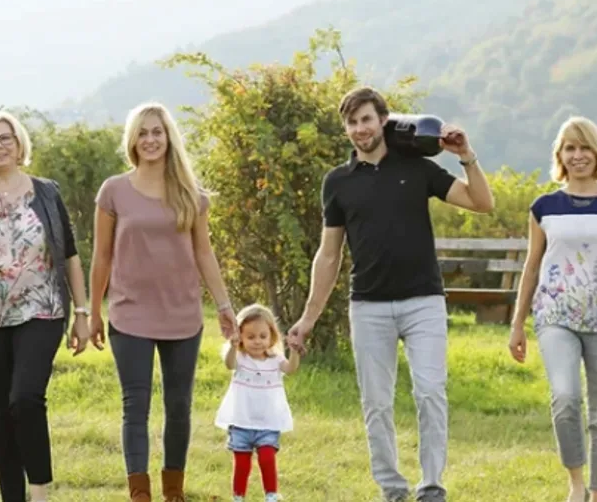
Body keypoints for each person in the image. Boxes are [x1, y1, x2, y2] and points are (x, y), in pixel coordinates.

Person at [286, 86, 495, 502]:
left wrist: (466, 156)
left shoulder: (418, 168)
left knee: (430, 392)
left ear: (383, 120)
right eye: (352, 122)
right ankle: (393, 490)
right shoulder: (338, 183)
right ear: (346, 128)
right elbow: (328, 257)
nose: (359, 128)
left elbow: (482, 203)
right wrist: (307, 319)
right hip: (368, 307)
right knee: (376, 403)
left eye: (366, 119)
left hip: (424, 302)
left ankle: (431, 487)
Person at [89, 101, 237, 502]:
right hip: (129, 312)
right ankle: (140, 493)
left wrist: (224, 307)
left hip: (182, 315)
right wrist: (93, 312)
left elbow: (204, 253)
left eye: (157, 132)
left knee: (179, 405)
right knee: (134, 406)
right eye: (143, 132)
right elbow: (101, 256)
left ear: (169, 138)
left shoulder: (193, 195)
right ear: (132, 140)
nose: (150, 139)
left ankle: (174, 491)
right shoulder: (114, 191)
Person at [0, 110, 91, 502]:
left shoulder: (46, 193)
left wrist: (82, 312)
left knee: (24, 398)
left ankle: (38, 491)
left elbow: (70, 254)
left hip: (41, 311)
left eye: (6, 137)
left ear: (19, 143)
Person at [508, 116, 597, 502]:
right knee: (565, 399)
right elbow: (531, 266)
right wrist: (518, 324)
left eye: (585, 147)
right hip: (555, 317)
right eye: (570, 148)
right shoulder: (544, 206)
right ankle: (576, 484)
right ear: (560, 155)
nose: (578, 155)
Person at [215, 304, 300, 502]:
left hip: (268, 422)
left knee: (267, 458)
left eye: (263, 336)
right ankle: (238, 496)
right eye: (251, 337)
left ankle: (271, 495)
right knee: (242, 463)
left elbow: (290, 369)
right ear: (241, 337)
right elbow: (229, 364)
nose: (257, 342)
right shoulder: (240, 358)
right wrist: (233, 346)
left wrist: (294, 352)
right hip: (241, 421)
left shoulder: (275, 359)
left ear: (272, 336)